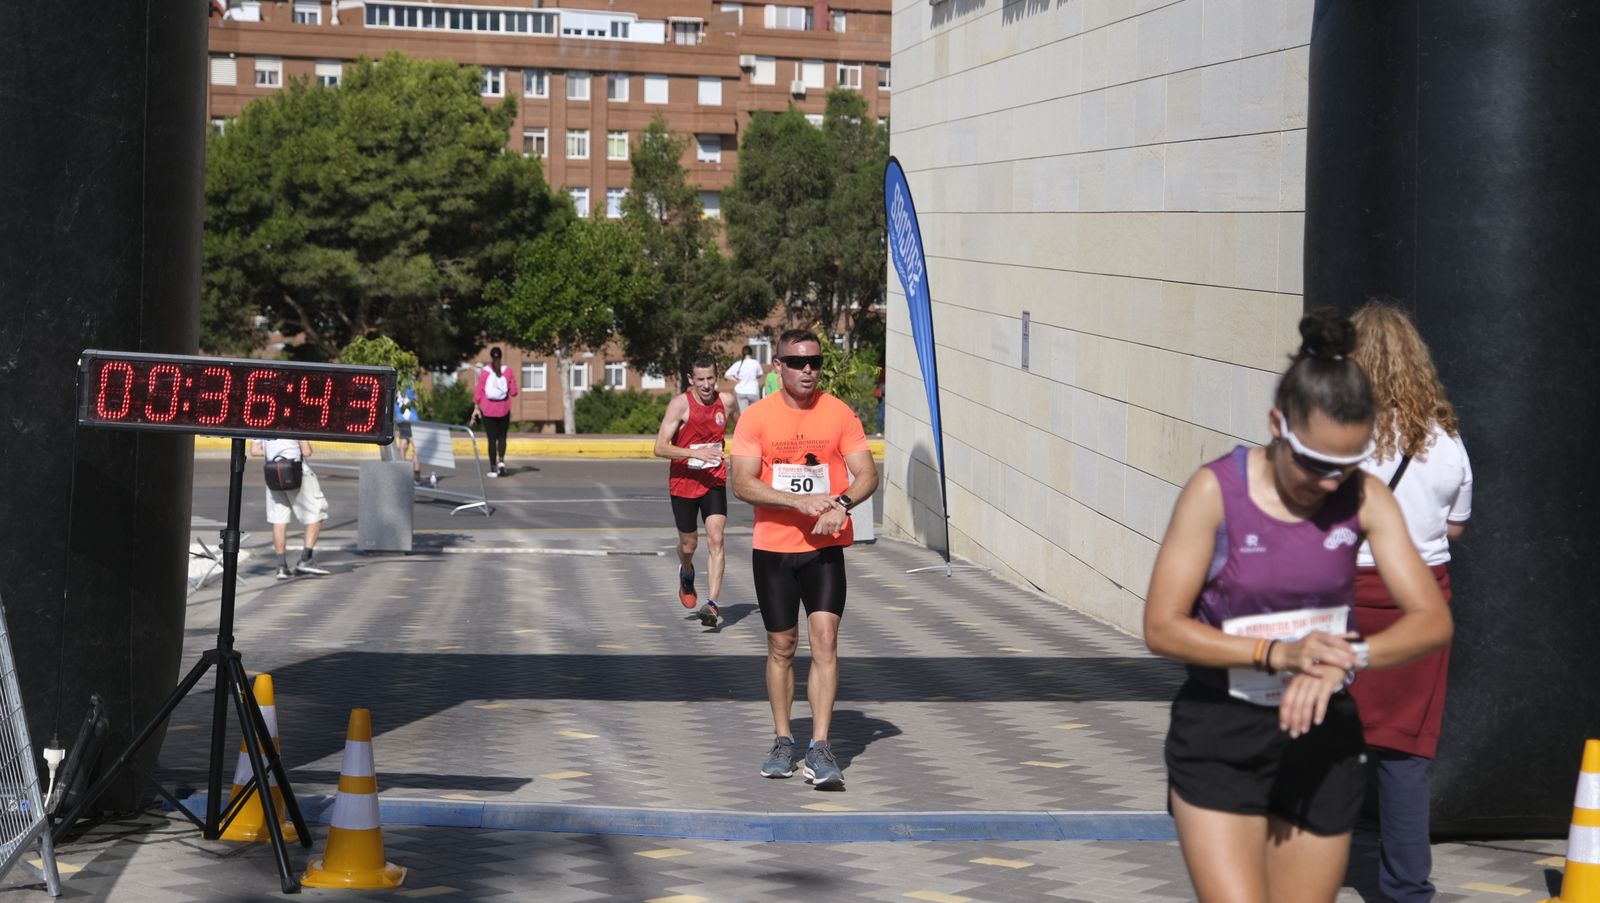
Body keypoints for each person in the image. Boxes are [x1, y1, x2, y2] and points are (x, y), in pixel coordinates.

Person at [1142, 308, 1452, 903]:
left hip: (1322, 739)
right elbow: (1162, 627)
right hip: (1222, 737)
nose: (1330, 484)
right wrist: (1276, 654)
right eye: (1314, 463)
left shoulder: (1366, 498)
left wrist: (1350, 655)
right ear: (1277, 424)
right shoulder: (1215, 492)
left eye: (1346, 466)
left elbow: (1431, 619)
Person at [1348, 301, 1473, 903]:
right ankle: (1407, 892)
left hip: (1343, 600)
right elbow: (1454, 529)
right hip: (1420, 605)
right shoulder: (1446, 442)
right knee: (1404, 757)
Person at [731, 329, 878, 790]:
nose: (807, 370)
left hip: (824, 548)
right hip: (774, 549)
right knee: (782, 646)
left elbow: (867, 473)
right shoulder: (756, 418)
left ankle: (820, 746)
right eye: (797, 363)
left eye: (814, 362)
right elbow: (742, 483)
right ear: (778, 367)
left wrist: (842, 504)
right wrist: (798, 503)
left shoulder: (838, 413)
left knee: (826, 640)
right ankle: (781, 739)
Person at [654, 354, 738, 628]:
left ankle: (712, 604)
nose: (706, 385)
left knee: (716, 538)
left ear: (717, 377)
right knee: (690, 544)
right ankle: (686, 571)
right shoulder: (680, 405)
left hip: (714, 480)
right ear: (691, 379)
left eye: (710, 379)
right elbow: (660, 447)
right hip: (684, 483)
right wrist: (694, 452)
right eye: (700, 379)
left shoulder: (726, 402)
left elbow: (739, 430)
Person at [247, 438, 331, 580]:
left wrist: (276, 451)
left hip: (273, 472)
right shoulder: (297, 420)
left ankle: (281, 566)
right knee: (316, 513)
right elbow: (307, 451)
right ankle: (306, 559)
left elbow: (254, 451)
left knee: (279, 519)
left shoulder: (264, 421)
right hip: (296, 472)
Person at [472, 347, 518, 477]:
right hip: (504, 410)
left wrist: (476, 407)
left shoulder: (485, 372)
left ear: (491, 357)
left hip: (488, 411)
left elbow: (479, 392)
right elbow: (514, 392)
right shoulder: (508, 371)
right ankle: (501, 462)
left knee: (491, 440)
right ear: (501, 357)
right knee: (502, 437)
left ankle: (493, 468)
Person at [394, 381, 422, 484]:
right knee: (417, 447)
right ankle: (415, 473)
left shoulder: (396, 387)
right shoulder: (410, 386)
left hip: (401, 419)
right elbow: (417, 400)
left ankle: (404, 472)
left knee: (403, 445)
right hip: (411, 419)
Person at [725, 345, 764, 413]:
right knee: (755, 414)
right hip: (753, 391)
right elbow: (760, 374)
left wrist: (735, 380)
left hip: (741, 391)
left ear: (742, 353)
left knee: (744, 415)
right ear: (751, 353)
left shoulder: (738, 364)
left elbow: (726, 375)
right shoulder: (755, 363)